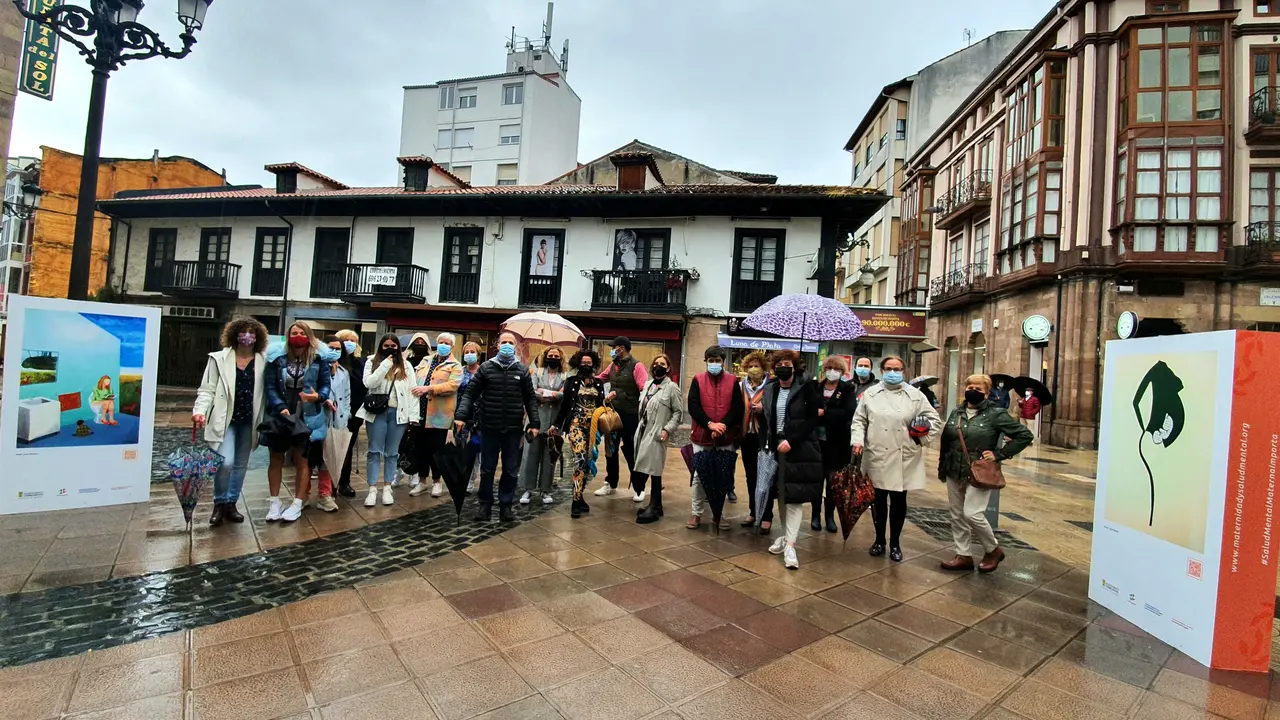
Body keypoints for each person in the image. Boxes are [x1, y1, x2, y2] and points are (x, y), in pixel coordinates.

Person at [938, 374, 1034, 573]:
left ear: (987, 393)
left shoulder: (995, 413)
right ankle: (963, 554)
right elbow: (946, 441)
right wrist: (942, 467)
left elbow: (1024, 435)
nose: (973, 391)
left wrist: (1000, 454)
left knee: (972, 513)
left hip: (979, 470)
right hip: (954, 468)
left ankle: (993, 549)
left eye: (979, 389)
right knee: (957, 515)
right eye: (970, 386)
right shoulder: (957, 412)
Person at [851, 356, 941, 562]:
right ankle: (879, 539)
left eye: (897, 369)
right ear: (882, 371)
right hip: (877, 454)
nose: (893, 372)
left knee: (899, 501)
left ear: (904, 371)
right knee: (878, 500)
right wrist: (857, 441)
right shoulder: (870, 394)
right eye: (889, 368)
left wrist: (920, 440)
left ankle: (896, 543)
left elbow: (935, 420)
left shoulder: (915, 395)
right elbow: (859, 421)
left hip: (903, 456)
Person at [454, 332, 539, 522]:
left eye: (511, 342)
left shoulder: (522, 371)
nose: (507, 345)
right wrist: (461, 416)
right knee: (487, 468)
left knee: (510, 470)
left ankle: (506, 506)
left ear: (515, 346)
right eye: (504, 342)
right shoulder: (486, 368)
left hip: (512, 428)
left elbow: (530, 399)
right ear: (497, 345)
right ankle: (484, 506)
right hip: (489, 426)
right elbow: (470, 394)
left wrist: (534, 423)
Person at [193, 317, 268, 526]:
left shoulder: (263, 361)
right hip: (225, 419)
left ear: (258, 337)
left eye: (252, 332)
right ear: (234, 334)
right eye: (243, 332)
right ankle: (219, 502)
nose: (247, 336)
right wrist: (199, 411)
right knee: (224, 462)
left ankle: (231, 503)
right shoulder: (217, 359)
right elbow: (207, 389)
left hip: (250, 420)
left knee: (241, 464)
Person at [263, 321, 332, 523]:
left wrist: (317, 397)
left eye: (302, 332)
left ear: (309, 336)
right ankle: (274, 502)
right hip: (280, 415)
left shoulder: (319, 359)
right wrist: (279, 406)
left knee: (302, 460)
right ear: (288, 335)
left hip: (306, 415)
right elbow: (270, 386)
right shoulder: (276, 359)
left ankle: (297, 503)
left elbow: (325, 386)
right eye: (294, 332)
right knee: (276, 457)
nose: (298, 335)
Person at [761, 350, 823, 569]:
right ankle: (786, 536)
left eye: (787, 363)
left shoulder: (807, 388)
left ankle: (791, 546)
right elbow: (768, 420)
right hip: (776, 448)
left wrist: (793, 440)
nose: (783, 367)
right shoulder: (770, 389)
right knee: (781, 494)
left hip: (799, 449)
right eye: (779, 364)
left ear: (795, 367)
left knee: (795, 497)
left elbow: (813, 420)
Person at [357, 334, 419, 508]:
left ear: (398, 347)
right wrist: (385, 364)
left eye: (393, 345)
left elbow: (412, 392)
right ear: (380, 346)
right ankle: (372, 489)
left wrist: (413, 417)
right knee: (374, 451)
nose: (390, 348)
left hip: (398, 414)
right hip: (377, 413)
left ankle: (387, 487)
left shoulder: (406, 365)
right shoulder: (372, 362)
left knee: (392, 453)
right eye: (386, 345)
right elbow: (369, 383)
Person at [686, 345, 744, 530]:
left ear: (723, 362)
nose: (714, 364)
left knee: (723, 476)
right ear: (706, 362)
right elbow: (693, 406)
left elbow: (737, 407)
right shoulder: (698, 379)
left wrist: (722, 425)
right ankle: (696, 513)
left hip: (725, 437)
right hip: (702, 436)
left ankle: (719, 515)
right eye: (711, 361)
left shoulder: (733, 381)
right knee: (698, 477)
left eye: (718, 361)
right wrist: (709, 424)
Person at [593, 336, 648, 502]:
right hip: (613, 414)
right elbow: (601, 378)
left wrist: (624, 396)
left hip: (630, 415)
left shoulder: (637, 366)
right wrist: (585, 380)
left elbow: (644, 389)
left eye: (614, 347)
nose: (612, 350)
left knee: (631, 450)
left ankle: (639, 487)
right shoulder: (613, 365)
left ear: (622, 348)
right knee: (610, 449)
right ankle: (611, 482)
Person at [554, 349, 606, 519]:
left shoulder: (599, 383)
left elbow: (602, 406)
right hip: (576, 425)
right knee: (580, 459)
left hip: (593, 428)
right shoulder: (571, 382)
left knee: (588, 462)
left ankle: (580, 494)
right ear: (578, 364)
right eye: (583, 362)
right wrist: (557, 425)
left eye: (588, 363)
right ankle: (575, 501)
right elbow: (564, 406)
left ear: (593, 364)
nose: (585, 365)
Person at [409, 333, 463, 498]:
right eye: (441, 342)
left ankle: (437, 481)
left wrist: (429, 388)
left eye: (447, 343)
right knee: (420, 449)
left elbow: (453, 385)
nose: (443, 345)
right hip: (420, 413)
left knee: (436, 450)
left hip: (439, 414)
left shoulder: (455, 365)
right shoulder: (426, 361)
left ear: (452, 347)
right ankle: (422, 481)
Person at [633, 354, 684, 524]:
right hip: (642, 430)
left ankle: (654, 505)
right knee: (643, 466)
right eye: (656, 364)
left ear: (668, 368)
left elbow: (678, 413)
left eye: (662, 364)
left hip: (657, 433)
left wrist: (667, 429)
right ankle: (658, 505)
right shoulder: (647, 385)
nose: (658, 367)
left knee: (655, 469)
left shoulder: (672, 388)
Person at [814, 356, 857, 533]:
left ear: (842, 371)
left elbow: (849, 412)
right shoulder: (815, 387)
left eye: (836, 369)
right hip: (816, 443)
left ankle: (829, 516)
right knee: (816, 481)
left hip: (837, 444)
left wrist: (825, 413)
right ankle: (815, 515)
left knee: (833, 483)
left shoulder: (847, 389)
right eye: (829, 368)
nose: (832, 371)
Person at [520, 346, 566, 505]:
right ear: (545, 356)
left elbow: (564, 394)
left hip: (554, 422)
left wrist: (546, 393)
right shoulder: (537, 372)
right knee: (530, 455)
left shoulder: (565, 375)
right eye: (550, 355)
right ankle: (527, 489)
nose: (553, 358)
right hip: (535, 419)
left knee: (549, 457)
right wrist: (553, 394)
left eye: (556, 355)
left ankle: (545, 490)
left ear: (561, 358)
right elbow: (531, 391)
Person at [313, 336, 351, 513]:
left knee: (330, 459)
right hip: (318, 419)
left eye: (338, 348)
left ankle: (325, 494)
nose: (335, 351)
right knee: (310, 459)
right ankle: (303, 494)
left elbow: (347, 395)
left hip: (338, 420)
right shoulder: (316, 367)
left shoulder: (344, 372)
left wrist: (346, 414)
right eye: (331, 348)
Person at [738, 351, 772, 532]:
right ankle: (753, 511)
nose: (753, 369)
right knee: (751, 476)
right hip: (747, 436)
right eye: (750, 366)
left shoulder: (771, 385)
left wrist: (763, 407)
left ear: (763, 367)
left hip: (764, 436)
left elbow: (776, 408)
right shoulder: (742, 385)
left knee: (765, 476)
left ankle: (766, 515)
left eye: (756, 366)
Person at [399, 333, 434, 491]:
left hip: (425, 407)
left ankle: (416, 473)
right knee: (403, 441)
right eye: (416, 342)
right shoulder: (406, 361)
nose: (419, 344)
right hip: (406, 404)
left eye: (422, 342)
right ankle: (399, 470)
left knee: (420, 444)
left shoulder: (431, 362)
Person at [334, 329, 364, 498]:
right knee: (331, 446)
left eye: (353, 340)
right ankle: (329, 482)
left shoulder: (360, 363)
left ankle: (344, 482)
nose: (350, 343)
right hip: (334, 409)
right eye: (346, 340)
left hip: (353, 413)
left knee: (347, 448)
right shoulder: (332, 360)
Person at [458, 341, 484, 493]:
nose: (469, 354)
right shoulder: (459, 371)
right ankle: (461, 476)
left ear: (478, 355)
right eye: (466, 352)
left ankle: (471, 479)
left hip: (479, 416)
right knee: (461, 447)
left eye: (472, 352)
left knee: (475, 448)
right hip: (461, 415)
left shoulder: (484, 371)